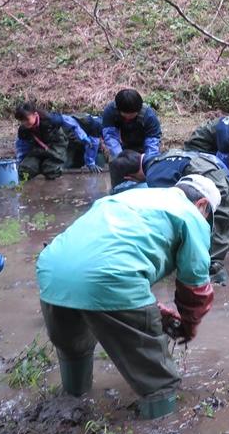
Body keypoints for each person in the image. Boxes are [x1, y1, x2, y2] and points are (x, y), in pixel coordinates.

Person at [36, 176, 218, 419]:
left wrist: (153, 310)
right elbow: (194, 287)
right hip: (110, 278)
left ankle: (73, 403)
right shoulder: (191, 215)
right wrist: (189, 325)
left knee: (74, 349)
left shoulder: (130, 197)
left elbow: (111, 252)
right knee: (159, 379)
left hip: (52, 273)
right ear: (203, 205)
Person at [109, 149, 229, 284]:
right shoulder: (163, 157)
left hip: (215, 188)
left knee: (210, 240)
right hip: (223, 177)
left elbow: (172, 213)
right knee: (218, 228)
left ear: (129, 178)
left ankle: (212, 279)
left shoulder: (155, 175)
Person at [14, 102, 99, 180]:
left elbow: (72, 124)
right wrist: (20, 162)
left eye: (26, 119)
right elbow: (22, 148)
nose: (25, 123)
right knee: (25, 171)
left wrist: (83, 137)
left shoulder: (51, 119)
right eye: (22, 121)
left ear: (35, 115)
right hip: (38, 149)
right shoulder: (23, 130)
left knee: (51, 171)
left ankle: (48, 170)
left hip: (56, 145)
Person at [183, 116, 229, 196]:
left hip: (216, 144)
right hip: (199, 145)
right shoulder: (228, 136)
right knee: (210, 172)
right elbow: (221, 167)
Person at [101, 89, 162, 159]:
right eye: (125, 114)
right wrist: (120, 157)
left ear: (139, 109)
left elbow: (152, 141)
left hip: (143, 143)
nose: (129, 117)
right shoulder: (111, 111)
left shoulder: (148, 115)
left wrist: (148, 161)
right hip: (122, 145)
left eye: (132, 114)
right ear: (118, 109)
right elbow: (110, 136)